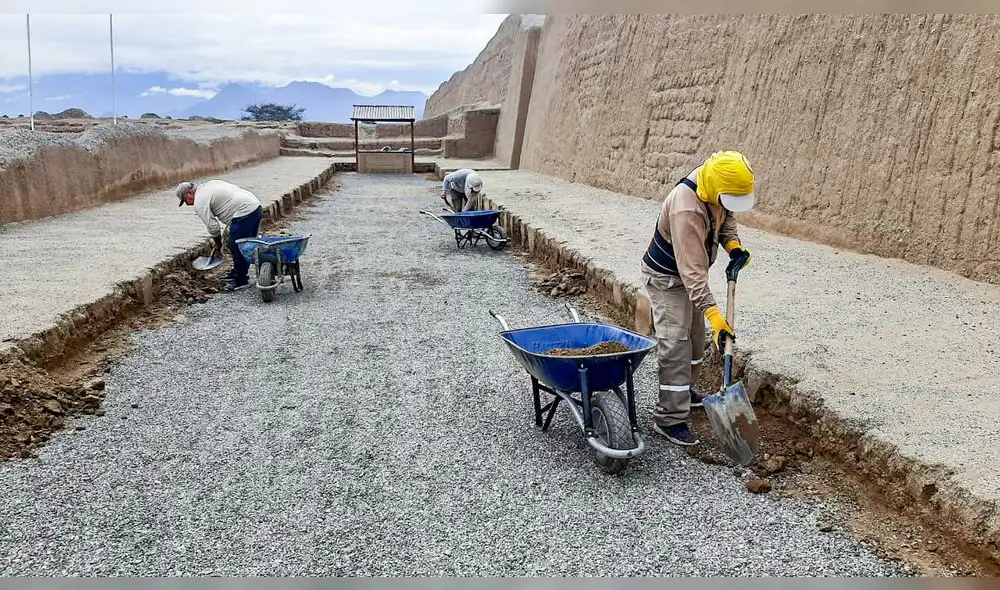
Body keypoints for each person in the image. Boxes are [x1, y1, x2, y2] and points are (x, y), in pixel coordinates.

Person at [640, 150, 755, 446]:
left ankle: (685, 392)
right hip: (667, 279)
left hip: (689, 275)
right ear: (716, 187)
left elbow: (725, 215)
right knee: (676, 342)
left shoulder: (714, 182)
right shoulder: (686, 208)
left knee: (694, 337)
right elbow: (691, 274)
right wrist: (716, 316)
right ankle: (669, 418)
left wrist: (733, 245)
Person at [176, 179, 263, 291]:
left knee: (236, 245)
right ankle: (238, 272)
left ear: (189, 193)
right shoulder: (208, 185)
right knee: (245, 243)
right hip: (255, 207)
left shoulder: (199, 201)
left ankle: (241, 280)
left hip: (244, 212)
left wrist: (218, 242)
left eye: (185, 200)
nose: (187, 204)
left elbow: (213, 226)